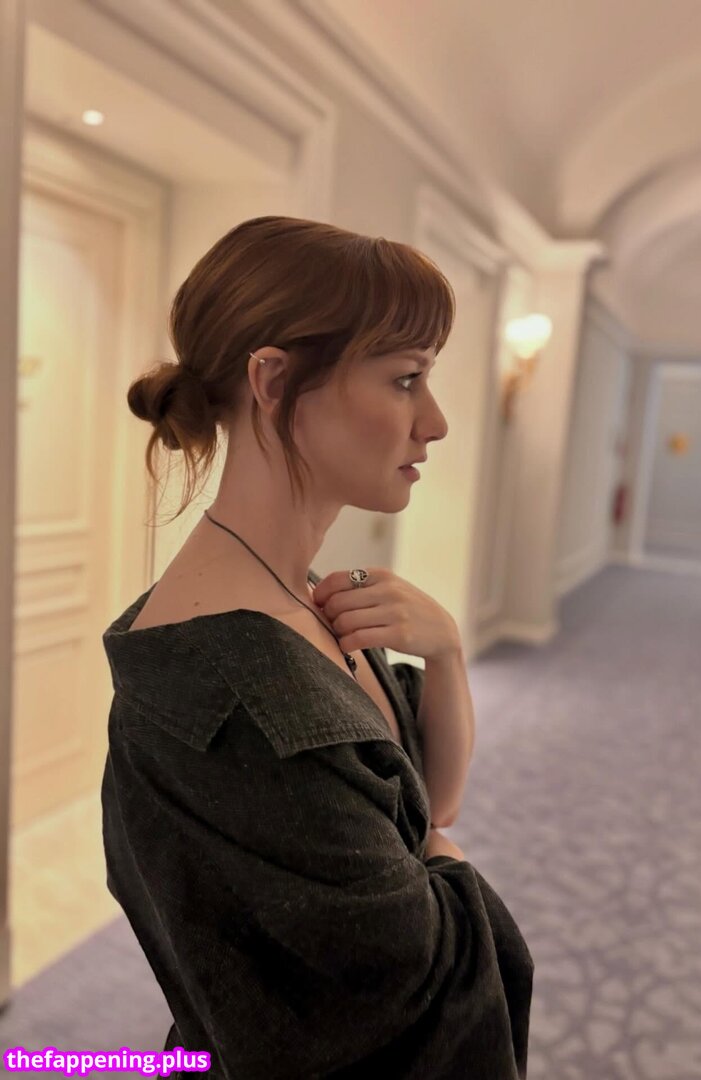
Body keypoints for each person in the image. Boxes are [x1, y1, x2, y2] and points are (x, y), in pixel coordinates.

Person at [101, 216, 534, 1078]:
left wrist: (445, 653)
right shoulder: (242, 696)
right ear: (272, 380)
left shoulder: (300, 594)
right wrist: (442, 863)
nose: (436, 422)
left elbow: (433, 805)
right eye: (405, 379)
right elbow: (414, 980)